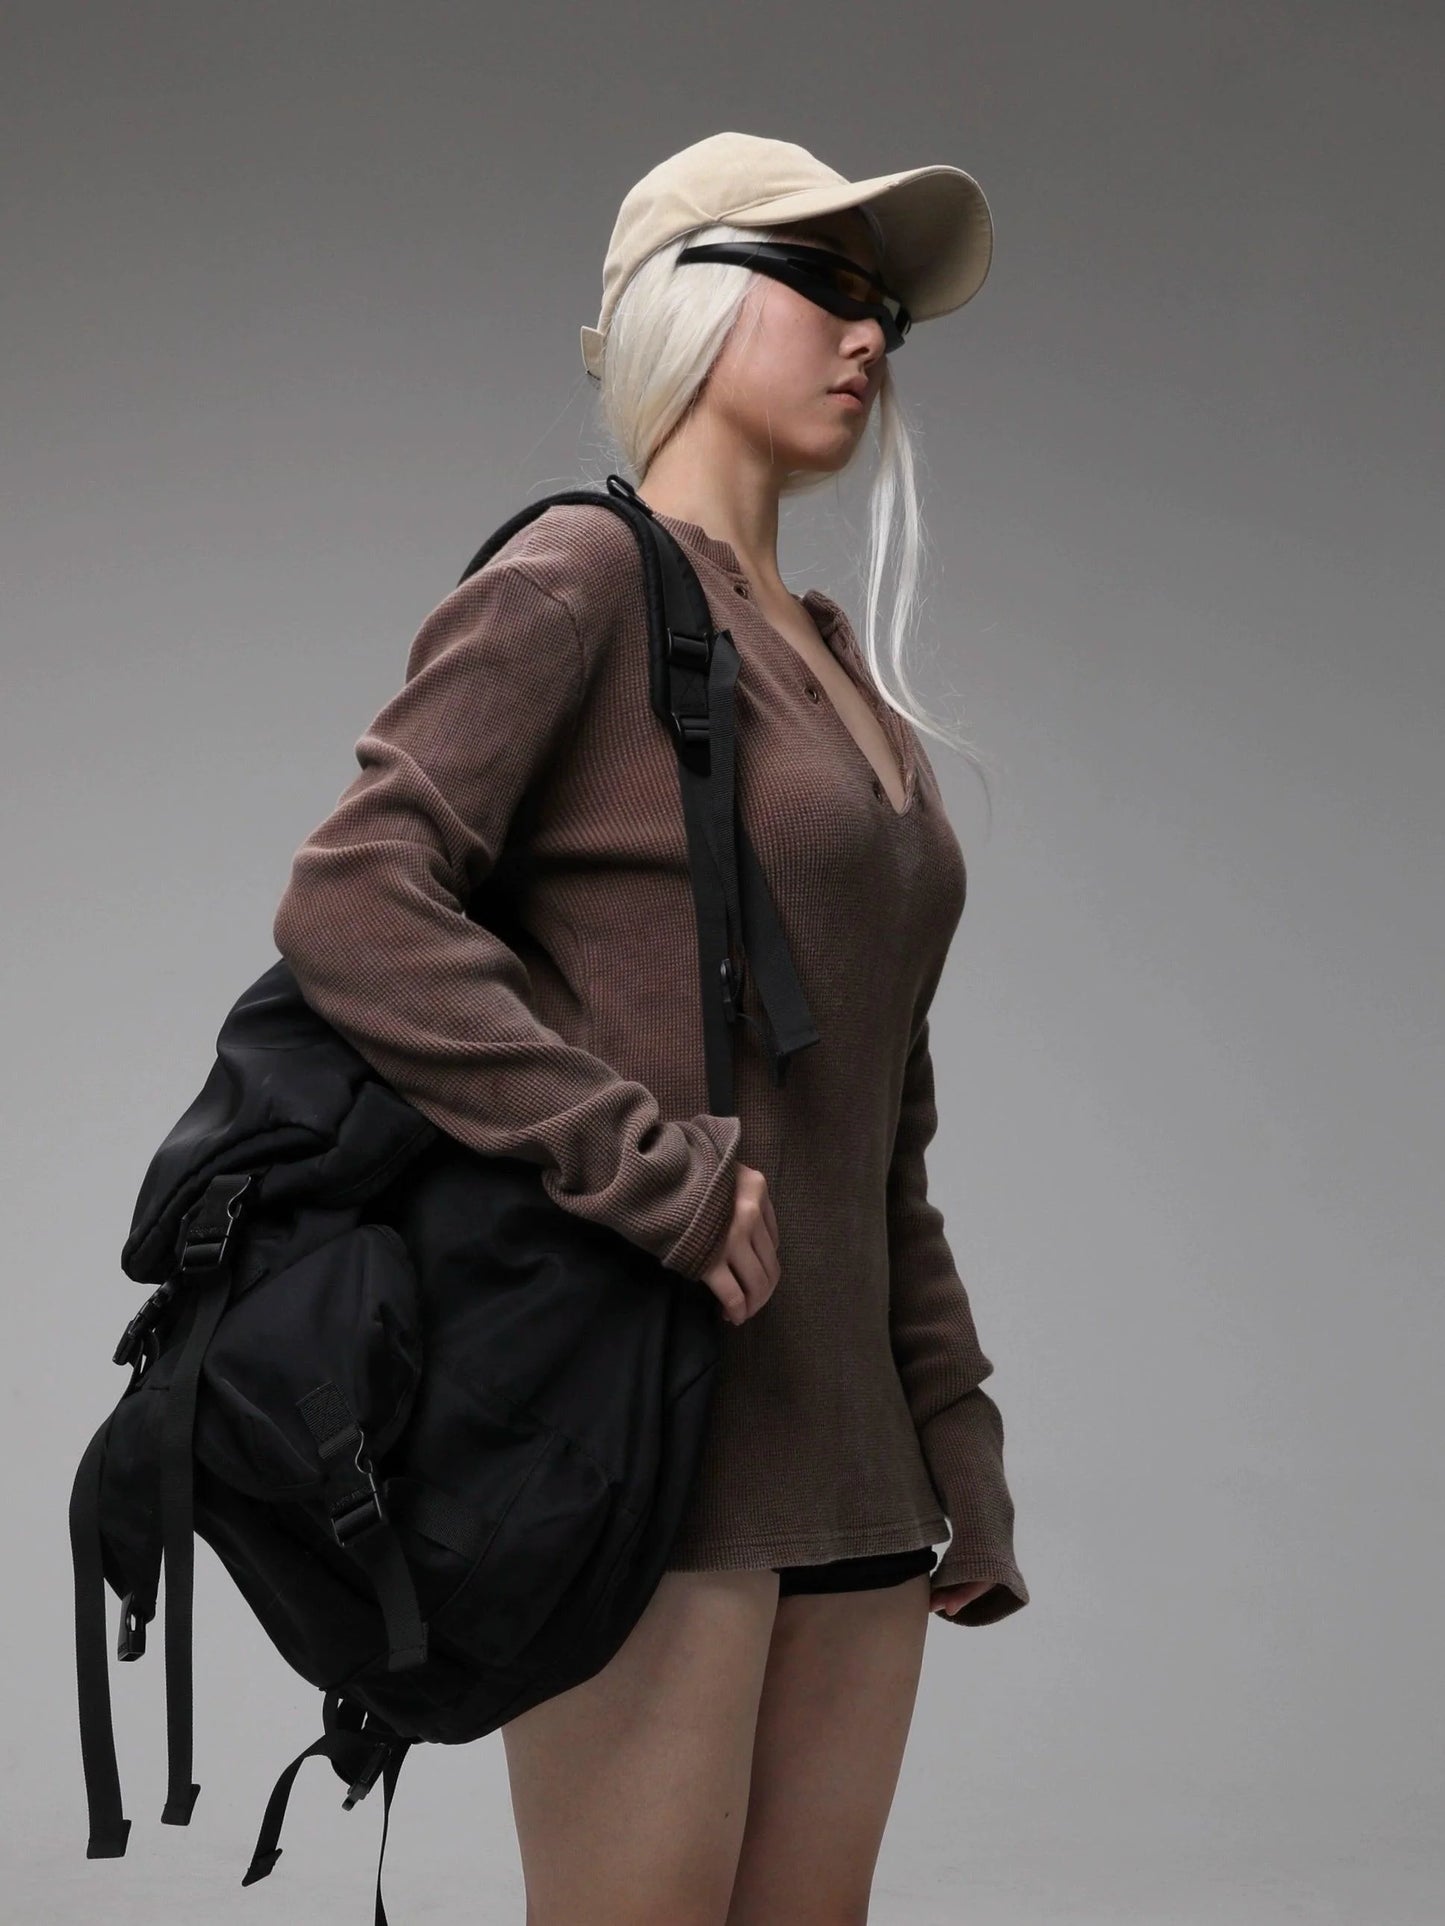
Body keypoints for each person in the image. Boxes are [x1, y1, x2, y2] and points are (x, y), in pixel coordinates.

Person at [272, 131, 1028, 1926]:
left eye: (887, 306)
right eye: (822, 282)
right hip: (648, 1444)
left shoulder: (838, 670)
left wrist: (955, 1427)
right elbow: (353, 895)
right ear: (686, 304)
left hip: (857, 1464)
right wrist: (644, 1171)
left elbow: (880, 1115)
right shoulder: (582, 578)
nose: (869, 333)